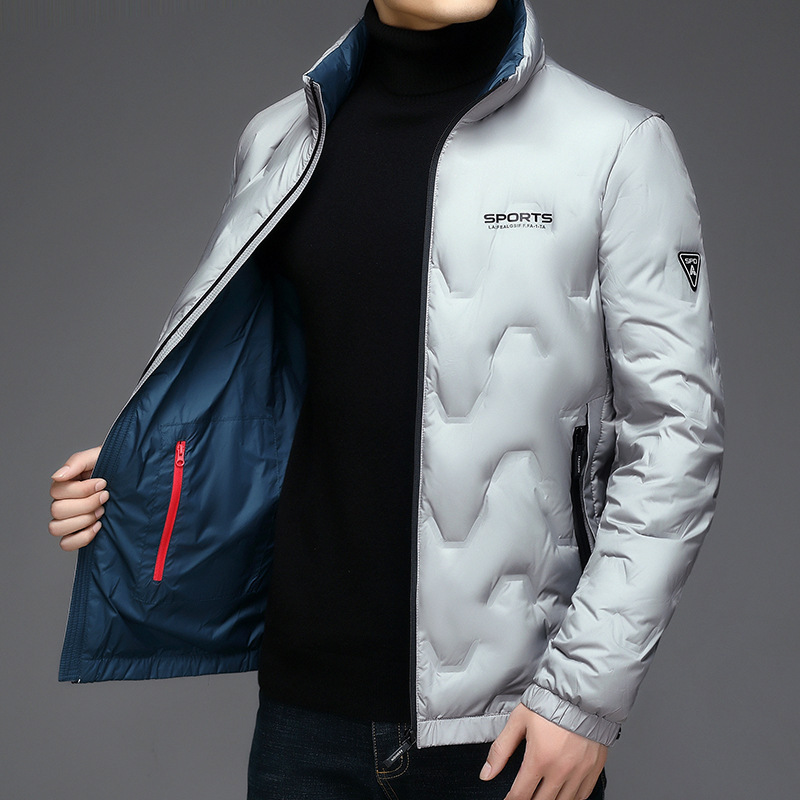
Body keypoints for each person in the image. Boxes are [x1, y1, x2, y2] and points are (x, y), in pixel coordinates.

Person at [48, 0, 725, 798]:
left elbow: (677, 438)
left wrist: (583, 698)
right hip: (305, 719)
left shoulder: (617, 146)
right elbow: (282, 396)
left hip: (509, 731)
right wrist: (140, 479)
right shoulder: (281, 139)